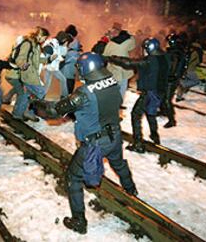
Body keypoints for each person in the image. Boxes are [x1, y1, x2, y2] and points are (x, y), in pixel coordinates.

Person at [32, 52, 137, 234]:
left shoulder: (83, 93)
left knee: (73, 178)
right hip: (115, 136)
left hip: (94, 144)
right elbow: (116, 102)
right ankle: (131, 189)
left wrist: (36, 104)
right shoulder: (111, 82)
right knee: (118, 163)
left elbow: (55, 111)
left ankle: (79, 221)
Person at [106, 38, 169, 152]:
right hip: (160, 91)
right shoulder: (164, 57)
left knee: (136, 114)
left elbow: (129, 63)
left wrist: (111, 58)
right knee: (150, 112)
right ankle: (155, 136)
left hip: (150, 92)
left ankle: (138, 143)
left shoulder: (150, 60)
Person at [5, 26, 49, 121]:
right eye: (44, 38)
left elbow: (35, 59)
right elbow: (20, 58)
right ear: (39, 35)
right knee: (39, 92)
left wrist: (47, 60)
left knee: (25, 94)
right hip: (24, 74)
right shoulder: (28, 44)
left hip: (28, 74)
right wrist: (23, 65)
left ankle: (19, 113)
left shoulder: (36, 45)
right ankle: (26, 111)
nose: (44, 41)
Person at [102, 22, 136, 100]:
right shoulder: (127, 42)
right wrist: (130, 36)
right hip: (124, 69)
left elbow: (105, 55)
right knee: (122, 86)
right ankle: (119, 102)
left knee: (113, 87)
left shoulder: (110, 43)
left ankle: (112, 102)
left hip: (113, 69)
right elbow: (133, 45)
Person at [161, 33, 186, 128]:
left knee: (167, 99)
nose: (166, 43)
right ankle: (164, 111)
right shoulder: (177, 51)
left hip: (170, 79)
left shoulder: (174, 53)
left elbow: (172, 67)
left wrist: (169, 76)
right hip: (172, 78)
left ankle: (172, 120)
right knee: (164, 97)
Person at [42, 31, 72, 99]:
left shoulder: (56, 43)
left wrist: (64, 48)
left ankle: (40, 96)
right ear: (63, 39)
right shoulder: (53, 43)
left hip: (50, 66)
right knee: (63, 80)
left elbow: (60, 54)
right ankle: (64, 96)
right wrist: (60, 58)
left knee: (47, 84)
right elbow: (54, 54)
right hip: (51, 67)